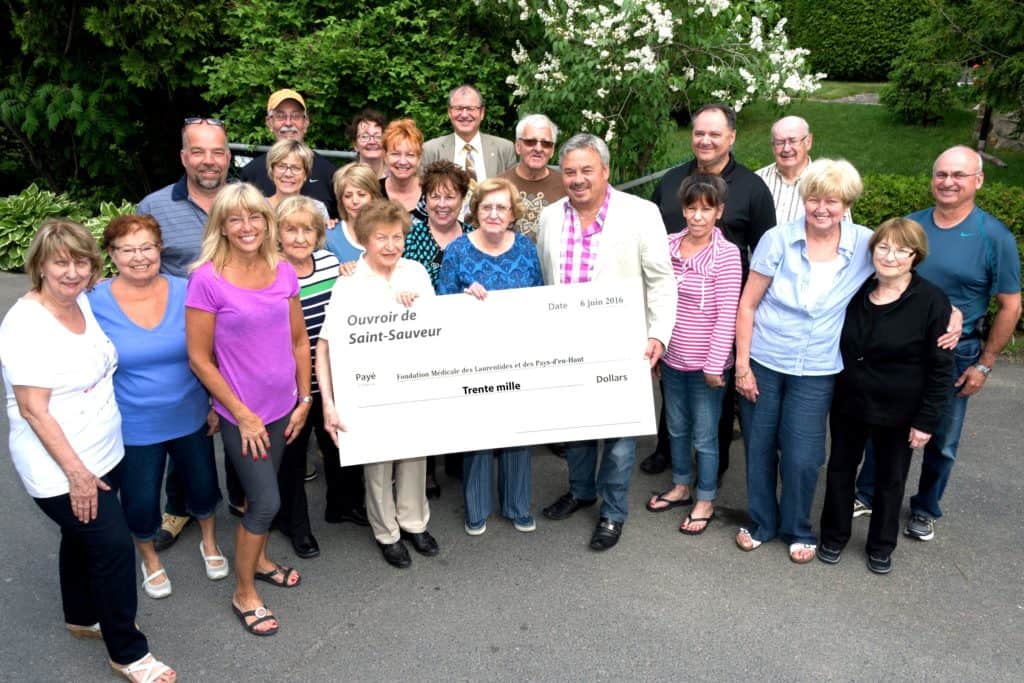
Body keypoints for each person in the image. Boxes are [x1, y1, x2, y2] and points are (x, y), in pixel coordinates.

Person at [0, 220, 176, 682]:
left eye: (81, 261)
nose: (73, 271)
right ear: (39, 264)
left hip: (104, 449)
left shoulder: (81, 301)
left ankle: (81, 617)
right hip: (60, 465)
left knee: (80, 539)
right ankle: (129, 652)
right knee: (113, 548)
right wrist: (77, 476)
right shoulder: (25, 324)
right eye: (61, 262)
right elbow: (34, 410)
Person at [854, 146, 1021, 540]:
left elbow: (1010, 306)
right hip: (897, 349)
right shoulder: (909, 228)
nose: (948, 182)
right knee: (883, 426)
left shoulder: (993, 236)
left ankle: (925, 507)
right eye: (941, 173)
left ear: (978, 181)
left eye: (958, 175)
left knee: (941, 438)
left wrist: (985, 363)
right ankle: (868, 494)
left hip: (955, 352)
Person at [536, 133, 677, 551]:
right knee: (576, 429)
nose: (578, 179)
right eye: (571, 171)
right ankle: (581, 492)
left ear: (606, 172)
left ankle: (613, 512)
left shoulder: (641, 214)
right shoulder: (548, 217)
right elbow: (544, 280)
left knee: (618, 440)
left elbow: (661, 280)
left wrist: (658, 336)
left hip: (622, 346)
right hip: (566, 348)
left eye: (587, 170)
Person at [185, 183, 312, 636]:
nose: (247, 226)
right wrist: (241, 413)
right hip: (246, 417)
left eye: (255, 216)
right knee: (265, 503)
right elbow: (199, 357)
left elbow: (299, 341)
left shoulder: (282, 270)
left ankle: (257, 561)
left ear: (267, 220)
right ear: (221, 224)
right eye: (235, 218)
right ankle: (243, 592)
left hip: (283, 409)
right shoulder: (207, 278)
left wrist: (304, 399)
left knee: (267, 493)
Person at [733, 158, 874, 564]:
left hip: (817, 368)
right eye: (814, 199)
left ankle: (798, 527)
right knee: (759, 445)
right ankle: (762, 523)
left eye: (832, 200)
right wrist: (742, 365)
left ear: (847, 204)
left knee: (804, 455)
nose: (822, 208)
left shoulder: (865, 243)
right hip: (765, 359)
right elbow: (748, 305)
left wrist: (949, 311)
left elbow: (907, 270)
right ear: (804, 200)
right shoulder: (777, 239)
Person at [88, 215, 226, 600]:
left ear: (160, 248)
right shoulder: (92, 301)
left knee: (202, 484)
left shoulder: (188, 289)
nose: (139, 257)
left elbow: (212, 349)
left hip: (191, 412)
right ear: (112, 255)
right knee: (140, 498)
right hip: (133, 422)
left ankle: (210, 542)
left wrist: (217, 400)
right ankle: (149, 559)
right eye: (127, 249)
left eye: (147, 247)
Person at [641, 104, 776, 481]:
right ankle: (667, 450)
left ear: (731, 137)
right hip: (673, 308)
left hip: (722, 306)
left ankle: (712, 468)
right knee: (675, 387)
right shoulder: (671, 182)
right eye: (700, 133)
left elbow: (765, 254)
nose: (705, 140)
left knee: (711, 398)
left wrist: (749, 311)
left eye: (715, 134)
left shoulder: (752, 188)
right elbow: (652, 238)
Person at [819, 218, 954, 574]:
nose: (890, 256)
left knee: (890, 480)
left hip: (900, 409)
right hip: (850, 401)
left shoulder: (931, 301)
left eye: (900, 250)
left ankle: (881, 545)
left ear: (915, 256)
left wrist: (926, 421)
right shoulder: (857, 288)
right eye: (883, 247)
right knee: (840, 470)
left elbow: (941, 368)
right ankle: (833, 536)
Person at [316, 199, 440, 569]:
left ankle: (414, 523)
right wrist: (329, 403)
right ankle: (387, 532)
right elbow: (325, 345)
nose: (390, 245)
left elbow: (437, 326)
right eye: (381, 237)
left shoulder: (416, 271)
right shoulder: (349, 281)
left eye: (397, 237)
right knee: (378, 465)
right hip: (367, 390)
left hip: (413, 383)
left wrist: (414, 308)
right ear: (366, 241)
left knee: (415, 457)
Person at [137, 116, 237, 551]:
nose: (209, 161)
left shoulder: (246, 202)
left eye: (217, 152)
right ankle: (179, 507)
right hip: (182, 339)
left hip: (239, 336)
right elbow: (139, 266)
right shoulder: (154, 208)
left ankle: (244, 495)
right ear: (183, 157)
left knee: (239, 415)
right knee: (186, 426)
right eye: (198, 151)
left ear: (228, 157)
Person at [436, 176, 544, 535]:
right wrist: (463, 298)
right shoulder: (457, 251)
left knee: (517, 432)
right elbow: (440, 306)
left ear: (512, 213)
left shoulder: (527, 249)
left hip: (520, 353)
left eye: (502, 207)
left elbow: (539, 299)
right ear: (476, 210)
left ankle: (516, 506)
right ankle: (477, 507)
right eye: (487, 207)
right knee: (479, 433)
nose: (494, 213)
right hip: (472, 356)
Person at [273, 197, 370, 560]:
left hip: (333, 378)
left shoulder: (331, 264)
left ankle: (342, 505)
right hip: (291, 384)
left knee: (338, 447)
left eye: (307, 230)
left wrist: (351, 275)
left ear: (319, 234)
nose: (299, 237)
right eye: (290, 229)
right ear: (278, 233)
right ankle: (295, 523)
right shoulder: (271, 271)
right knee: (293, 458)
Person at [645, 175, 742, 536]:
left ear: (719, 211)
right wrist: (656, 349)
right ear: (682, 209)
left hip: (707, 365)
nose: (698, 216)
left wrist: (716, 365)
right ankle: (681, 485)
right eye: (691, 207)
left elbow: (727, 313)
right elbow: (653, 298)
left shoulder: (727, 254)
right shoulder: (666, 246)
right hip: (673, 358)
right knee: (676, 428)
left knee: (705, 434)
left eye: (706, 208)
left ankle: (705, 497)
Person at [402, 160, 474, 495]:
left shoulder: (474, 237)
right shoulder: (410, 236)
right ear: (424, 198)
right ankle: (427, 468)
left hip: (463, 335)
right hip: (421, 336)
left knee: (461, 397)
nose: (442, 204)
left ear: (462, 199)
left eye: (450, 197)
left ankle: (459, 458)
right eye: (435, 196)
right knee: (425, 402)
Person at [239, 88, 338, 217]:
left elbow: (339, 223)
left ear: (306, 123)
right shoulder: (251, 173)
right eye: (280, 116)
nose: (288, 123)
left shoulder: (328, 172)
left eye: (296, 116)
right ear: (269, 123)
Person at [422, 84, 516, 183]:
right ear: (449, 112)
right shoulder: (431, 150)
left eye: (471, 108)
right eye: (458, 108)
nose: (464, 115)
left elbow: (513, 193)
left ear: (482, 112)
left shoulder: (504, 149)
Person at [499, 113, 565, 242]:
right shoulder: (499, 185)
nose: (538, 148)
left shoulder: (567, 186)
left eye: (546, 143)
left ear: (552, 151)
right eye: (530, 142)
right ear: (518, 146)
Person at [326, 162, 382, 264]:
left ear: (374, 196)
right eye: (348, 196)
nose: (355, 201)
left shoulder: (389, 230)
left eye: (361, 194)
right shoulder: (329, 237)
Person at [265, 139, 331, 219]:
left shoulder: (317, 209)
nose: (288, 174)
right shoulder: (257, 206)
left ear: (306, 174)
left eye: (296, 168)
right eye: (281, 166)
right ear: (272, 170)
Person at [381, 118, 428, 224]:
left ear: (419, 158)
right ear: (385, 156)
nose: (402, 162)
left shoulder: (430, 192)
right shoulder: (373, 192)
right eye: (395, 154)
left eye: (410, 155)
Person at [347, 109, 388, 179]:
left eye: (378, 136)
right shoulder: (347, 179)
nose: (372, 141)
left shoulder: (396, 179)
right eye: (365, 137)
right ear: (355, 145)